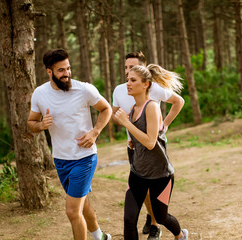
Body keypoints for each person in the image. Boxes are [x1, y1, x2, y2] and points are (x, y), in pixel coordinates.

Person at [27, 49, 112, 240]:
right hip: (61, 160)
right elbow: (30, 123)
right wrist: (41, 125)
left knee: (73, 211)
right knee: (82, 202)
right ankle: (101, 237)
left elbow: (106, 109)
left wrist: (95, 132)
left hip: (84, 157)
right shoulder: (40, 94)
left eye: (68, 68)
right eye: (61, 70)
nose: (66, 74)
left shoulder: (84, 90)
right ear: (49, 71)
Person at [112, 52, 184, 240]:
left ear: (145, 84)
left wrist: (127, 124)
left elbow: (151, 143)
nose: (127, 83)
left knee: (161, 217)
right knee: (129, 220)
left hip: (160, 174)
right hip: (138, 171)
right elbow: (139, 136)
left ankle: (180, 235)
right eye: (127, 78)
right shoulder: (134, 108)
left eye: (132, 80)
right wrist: (132, 138)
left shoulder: (152, 107)